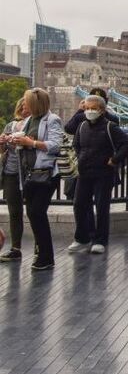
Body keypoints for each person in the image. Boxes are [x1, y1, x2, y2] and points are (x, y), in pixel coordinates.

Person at [66, 94, 128, 255]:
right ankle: (82, 238)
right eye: (87, 108)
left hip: (103, 173)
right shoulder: (82, 127)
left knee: (101, 207)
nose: (89, 111)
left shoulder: (110, 127)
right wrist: (80, 159)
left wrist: (115, 160)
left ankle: (100, 240)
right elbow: (76, 145)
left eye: (93, 108)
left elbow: (127, 144)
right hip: (84, 172)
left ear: (102, 110)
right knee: (79, 204)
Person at [7, 89, 64, 270]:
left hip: (45, 174)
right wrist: (11, 140)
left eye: (27, 102)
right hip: (30, 174)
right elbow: (23, 139)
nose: (24, 105)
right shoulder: (30, 120)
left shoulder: (52, 119)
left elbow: (55, 145)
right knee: (33, 213)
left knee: (37, 212)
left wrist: (30, 143)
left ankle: (46, 256)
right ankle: (42, 253)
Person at [0, 99, 27, 262]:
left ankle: (40, 249)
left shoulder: (36, 126)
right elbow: (2, 152)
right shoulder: (9, 126)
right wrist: (2, 143)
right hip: (10, 172)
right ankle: (15, 248)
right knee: (14, 211)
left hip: (30, 173)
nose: (25, 110)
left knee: (34, 212)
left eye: (28, 108)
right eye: (22, 107)